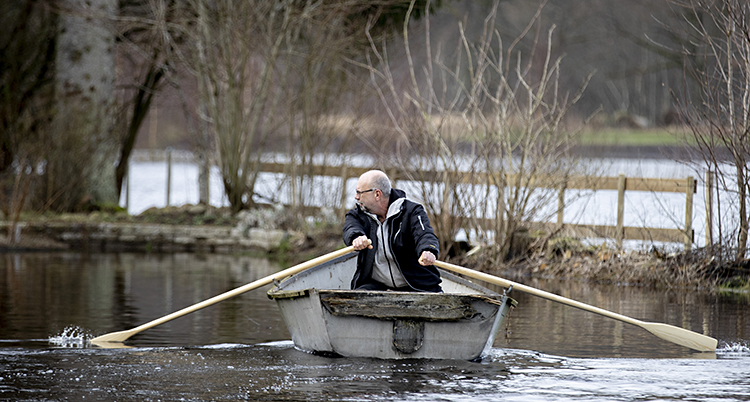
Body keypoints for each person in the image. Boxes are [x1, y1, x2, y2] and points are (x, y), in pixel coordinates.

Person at [342, 170, 442, 292]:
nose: (356, 197)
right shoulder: (357, 215)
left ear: (377, 194)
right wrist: (356, 237)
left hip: (416, 284)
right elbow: (350, 228)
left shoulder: (412, 211)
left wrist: (428, 249)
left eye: (359, 192)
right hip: (376, 285)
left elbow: (424, 234)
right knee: (355, 300)